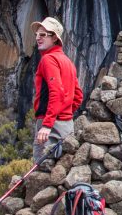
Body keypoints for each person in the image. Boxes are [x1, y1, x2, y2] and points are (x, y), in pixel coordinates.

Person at [31, 17, 83, 164]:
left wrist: (47, 125)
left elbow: (57, 91)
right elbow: (78, 96)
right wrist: (65, 113)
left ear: (54, 38)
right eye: (37, 35)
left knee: (42, 171)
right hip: (67, 126)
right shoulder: (67, 61)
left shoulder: (48, 60)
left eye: (43, 35)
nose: (38, 38)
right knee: (62, 171)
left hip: (50, 126)